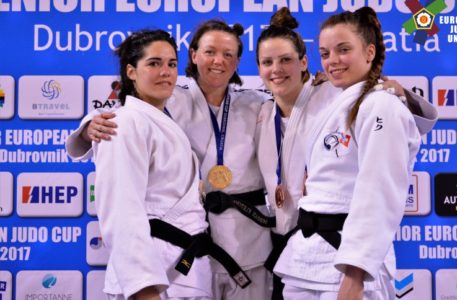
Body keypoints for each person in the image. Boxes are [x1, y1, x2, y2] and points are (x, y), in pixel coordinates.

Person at [66, 20, 273, 300]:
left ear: (238, 62)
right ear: (194, 55)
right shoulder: (168, 96)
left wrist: (317, 86)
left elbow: (294, 109)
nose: (218, 61)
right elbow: (121, 116)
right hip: (176, 247)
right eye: (210, 51)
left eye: (228, 55)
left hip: (236, 238)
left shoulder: (257, 103)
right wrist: (92, 125)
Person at [269, 7, 424, 299]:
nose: (332, 61)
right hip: (307, 258)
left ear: (369, 52)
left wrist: (355, 274)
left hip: (347, 265)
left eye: (343, 50)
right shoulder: (337, 104)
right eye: (325, 53)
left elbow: (378, 194)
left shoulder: (382, 106)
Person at [92, 29, 212, 300]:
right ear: (131, 72)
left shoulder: (157, 119)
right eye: (154, 63)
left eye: (171, 64)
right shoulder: (122, 124)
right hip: (153, 280)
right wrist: (144, 289)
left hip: (182, 271)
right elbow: (121, 212)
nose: (166, 72)